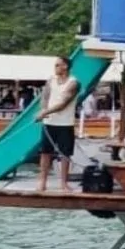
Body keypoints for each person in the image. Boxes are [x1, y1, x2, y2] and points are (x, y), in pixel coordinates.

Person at [37, 56, 81, 191]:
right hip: (49, 122)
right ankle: (42, 182)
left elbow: (63, 103)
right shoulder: (51, 80)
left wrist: (45, 112)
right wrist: (44, 110)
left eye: (57, 65)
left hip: (65, 124)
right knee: (45, 153)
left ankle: (63, 183)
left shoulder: (74, 83)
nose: (55, 67)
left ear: (65, 66)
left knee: (65, 154)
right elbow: (45, 96)